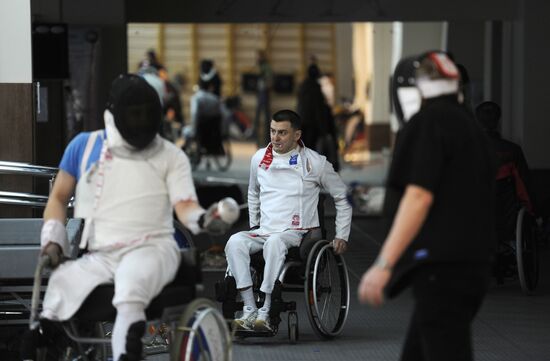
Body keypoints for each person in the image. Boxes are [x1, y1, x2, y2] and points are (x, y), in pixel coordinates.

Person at [21, 74, 238, 361]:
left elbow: (184, 205)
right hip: (101, 254)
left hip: (154, 249)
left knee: (131, 279)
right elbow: (59, 198)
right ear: (115, 112)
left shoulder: (170, 156)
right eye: (134, 114)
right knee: (61, 283)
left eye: (146, 114)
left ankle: (127, 354)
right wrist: (53, 241)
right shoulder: (84, 146)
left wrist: (204, 219)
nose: (141, 120)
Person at [358, 52, 496, 361]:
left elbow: (418, 196)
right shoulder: (472, 129)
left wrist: (384, 264)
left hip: (441, 269)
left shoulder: (428, 123)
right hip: (474, 264)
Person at [225, 109, 352, 332]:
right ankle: (249, 308)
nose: (275, 138)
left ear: (296, 135)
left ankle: (266, 311)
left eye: (282, 133)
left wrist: (342, 234)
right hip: (265, 230)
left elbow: (342, 196)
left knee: (275, 243)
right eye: (273, 131)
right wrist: (254, 223)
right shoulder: (259, 159)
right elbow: (253, 192)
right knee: (235, 241)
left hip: (297, 233)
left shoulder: (315, 163)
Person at [475, 101, 537, 214]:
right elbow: (524, 190)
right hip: (505, 219)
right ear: (498, 122)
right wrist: (534, 214)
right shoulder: (512, 151)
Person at [297, 64, 340, 171]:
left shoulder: (303, 86)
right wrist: (323, 129)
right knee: (312, 148)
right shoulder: (316, 88)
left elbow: (299, 106)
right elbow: (318, 110)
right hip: (313, 125)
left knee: (304, 148)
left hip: (303, 123)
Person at [253, 50, 273, 147]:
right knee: (259, 115)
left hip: (264, 92)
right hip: (260, 92)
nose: (256, 58)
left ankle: (267, 137)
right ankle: (256, 136)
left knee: (265, 116)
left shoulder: (266, 66)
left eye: (258, 56)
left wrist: (265, 82)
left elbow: (269, 79)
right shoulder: (260, 66)